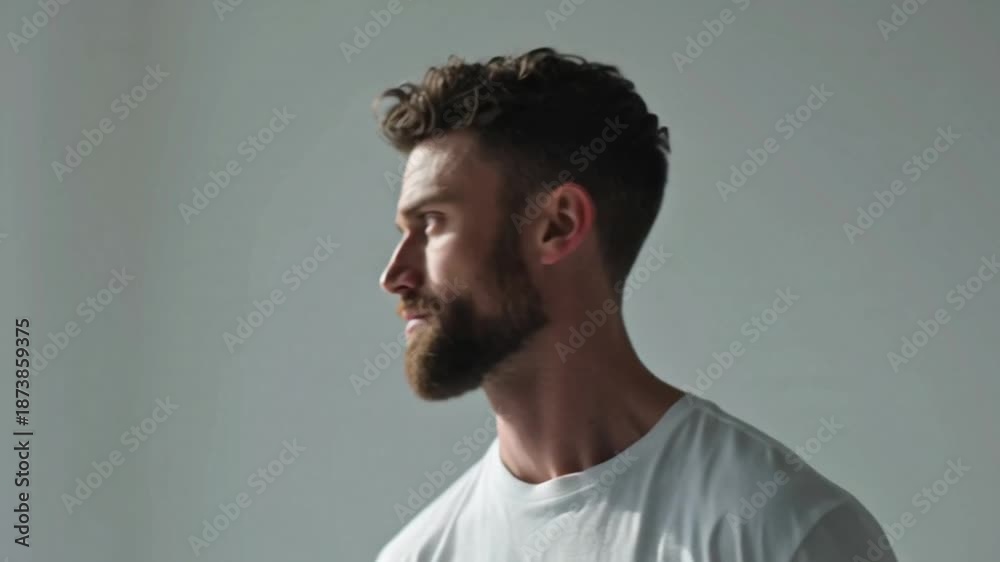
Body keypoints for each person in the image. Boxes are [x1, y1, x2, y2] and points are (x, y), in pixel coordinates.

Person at [372, 47, 894, 562]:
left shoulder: (778, 530)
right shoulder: (417, 555)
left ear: (558, 226)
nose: (394, 276)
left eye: (431, 224)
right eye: (402, 233)